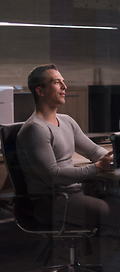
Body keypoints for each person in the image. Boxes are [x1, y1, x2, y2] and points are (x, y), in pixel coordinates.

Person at [16, 64, 113, 229]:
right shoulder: (35, 129)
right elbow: (54, 176)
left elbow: (93, 150)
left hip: (72, 193)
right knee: (111, 210)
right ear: (40, 91)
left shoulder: (67, 120)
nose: (64, 86)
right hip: (51, 201)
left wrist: (114, 158)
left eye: (63, 81)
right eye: (56, 82)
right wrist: (97, 168)